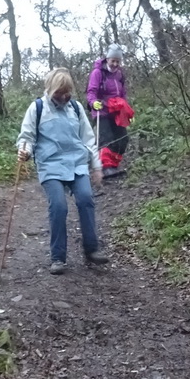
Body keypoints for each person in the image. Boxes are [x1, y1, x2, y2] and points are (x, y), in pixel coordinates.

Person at [17, 68, 111, 275]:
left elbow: (88, 139)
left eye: (67, 92)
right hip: (50, 165)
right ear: (50, 90)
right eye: (59, 92)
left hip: (77, 163)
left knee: (86, 199)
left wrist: (96, 167)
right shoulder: (37, 108)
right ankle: (58, 257)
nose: (64, 96)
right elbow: (27, 137)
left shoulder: (75, 108)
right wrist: (25, 152)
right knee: (58, 206)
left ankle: (92, 249)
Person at [86, 43, 132, 177]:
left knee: (122, 138)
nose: (115, 64)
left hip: (117, 111)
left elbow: (123, 94)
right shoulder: (97, 73)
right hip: (102, 110)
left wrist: (127, 111)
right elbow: (91, 91)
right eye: (113, 61)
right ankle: (105, 167)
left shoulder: (119, 75)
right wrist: (93, 102)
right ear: (107, 59)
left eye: (118, 61)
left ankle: (114, 165)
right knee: (106, 139)